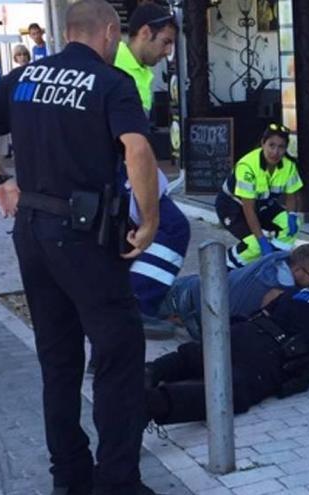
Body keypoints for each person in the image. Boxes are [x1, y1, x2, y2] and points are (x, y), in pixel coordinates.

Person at [0, 1, 161, 493]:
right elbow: (138, 148)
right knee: (118, 356)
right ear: (109, 33)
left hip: (32, 232)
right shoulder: (112, 83)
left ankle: (69, 476)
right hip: (85, 237)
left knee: (59, 360)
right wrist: (149, 220)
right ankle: (117, 483)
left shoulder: (28, 76)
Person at [143, 267, 309, 425]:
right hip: (273, 358)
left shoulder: (303, 291)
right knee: (231, 394)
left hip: (249, 330)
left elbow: (269, 301)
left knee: (197, 355)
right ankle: (153, 403)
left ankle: (151, 372)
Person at [113, 3, 188, 336]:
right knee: (170, 229)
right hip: (120, 170)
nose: (168, 52)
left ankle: (128, 307)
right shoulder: (116, 68)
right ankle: (140, 305)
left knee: (130, 240)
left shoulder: (135, 69)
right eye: (166, 43)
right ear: (145, 33)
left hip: (126, 169)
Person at [158, 244, 309, 340]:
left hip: (189, 286)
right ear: (298, 270)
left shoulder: (281, 258)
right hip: (184, 304)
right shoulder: (277, 291)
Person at [216, 123, 303, 269]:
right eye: (271, 145)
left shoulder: (289, 165)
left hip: (262, 203)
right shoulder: (247, 166)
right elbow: (248, 209)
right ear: (263, 143)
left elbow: (292, 196)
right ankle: (225, 268)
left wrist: (292, 215)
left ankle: (274, 263)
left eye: (281, 147)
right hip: (232, 206)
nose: (275, 152)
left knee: (290, 226)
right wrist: (262, 240)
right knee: (254, 245)